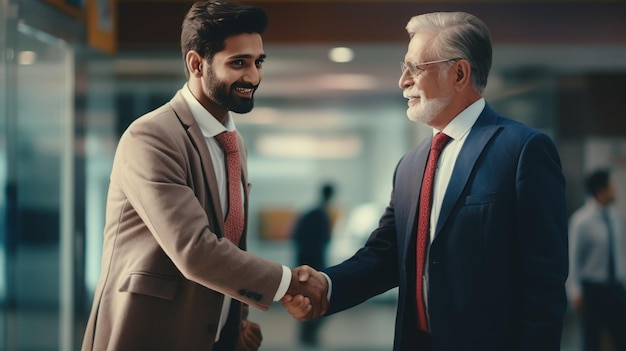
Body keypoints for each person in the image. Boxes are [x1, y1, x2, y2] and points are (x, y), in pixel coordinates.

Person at [283, 11, 568, 351]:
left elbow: (544, 283)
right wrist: (326, 286)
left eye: (415, 68)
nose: (403, 81)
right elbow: (386, 254)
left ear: (459, 73)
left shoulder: (522, 150)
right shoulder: (411, 164)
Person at [80, 1, 327, 350]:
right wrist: (288, 283)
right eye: (238, 63)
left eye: (258, 62)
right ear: (197, 64)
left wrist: (235, 321)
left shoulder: (233, 143)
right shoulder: (152, 137)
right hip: (149, 335)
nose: (253, 76)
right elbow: (194, 249)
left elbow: (229, 238)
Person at [567, 168, 626, 351]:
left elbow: (618, 254)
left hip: (615, 288)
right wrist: (574, 291)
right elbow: (572, 258)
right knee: (591, 341)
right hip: (593, 291)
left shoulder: (615, 219)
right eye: (612, 185)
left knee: (621, 338)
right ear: (601, 190)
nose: (615, 190)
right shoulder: (581, 220)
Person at [291, 182, 335, 346]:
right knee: (312, 300)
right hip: (312, 263)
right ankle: (307, 335)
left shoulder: (314, 213)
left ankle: (307, 335)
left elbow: (297, 237)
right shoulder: (319, 214)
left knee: (309, 300)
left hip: (309, 262)